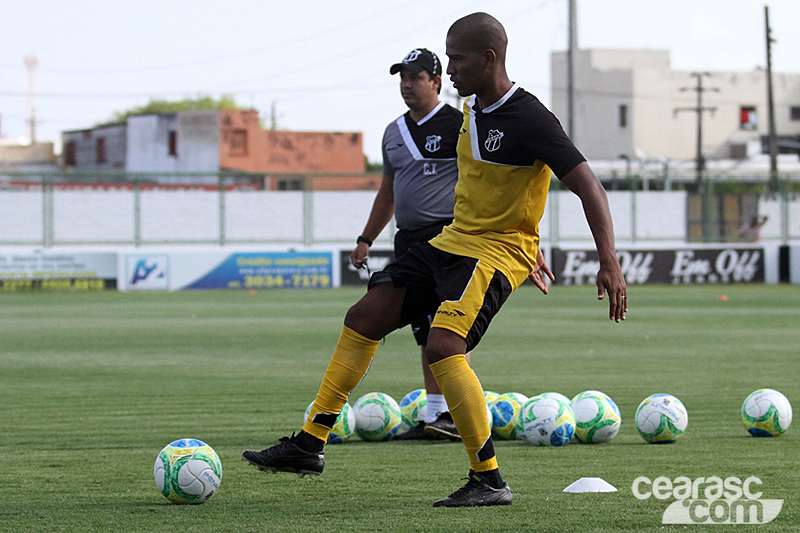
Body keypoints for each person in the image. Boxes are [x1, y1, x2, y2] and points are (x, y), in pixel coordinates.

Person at [243, 12, 627, 508]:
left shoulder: (530, 117)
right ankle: (309, 443)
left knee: (443, 347)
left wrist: (608, 261)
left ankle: (488, 480)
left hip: (495, 253)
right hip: (451, 242)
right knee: (363, 317)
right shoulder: (469, 109)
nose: (451, 68)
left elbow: (588, 185)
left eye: (457, 58)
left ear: (489, 59)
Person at [350, 47, 466, 441]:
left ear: (436, 82)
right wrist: (367, 237)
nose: (407, 85)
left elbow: (486, 183)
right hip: (409, 240)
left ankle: (454, 411)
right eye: (403, 78)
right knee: (422, 328)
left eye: (416, 78)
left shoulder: (460, 124)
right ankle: (437, 415)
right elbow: (389, 192)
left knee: (446, 326)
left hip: (450, 236)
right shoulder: (393, 132)